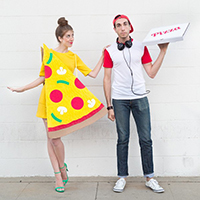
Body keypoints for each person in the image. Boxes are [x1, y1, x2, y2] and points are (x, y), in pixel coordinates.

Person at [8, 17, 106, 193]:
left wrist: (102, 56)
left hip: (63, 103)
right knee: (51, 139)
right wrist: (22, 88)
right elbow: (42, 77)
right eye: (68, 36)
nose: (71, 39)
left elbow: (91, 74)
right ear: (60, 38)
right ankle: (58, 176)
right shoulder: (49, 55)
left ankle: (62, 166)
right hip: (47, 101)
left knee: (56, 139)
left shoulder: (73, 57)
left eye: (73, 35)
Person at [103, 14, 169, 193]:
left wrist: (162, 52)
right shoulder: (109, 50)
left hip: (140, 98)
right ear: (115, 29)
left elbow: (151, 73)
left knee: (146, 139)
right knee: (122, 139)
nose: (122, 28)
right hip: (119, 100)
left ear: (130, 27)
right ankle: (122, 177)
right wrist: (109, 106)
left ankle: (150, 177)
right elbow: (107, 79)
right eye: (118, 25)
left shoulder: (141, 47)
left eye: (125, 24)